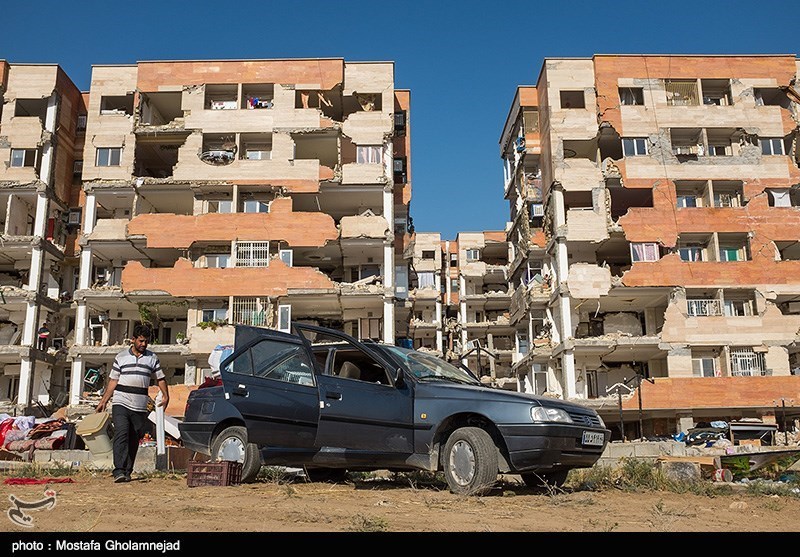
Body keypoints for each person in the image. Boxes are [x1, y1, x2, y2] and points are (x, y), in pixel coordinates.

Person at [96, 324, 169, 483]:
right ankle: (118, 470)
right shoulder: (121, 357)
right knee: (121, 432)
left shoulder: (152, 358)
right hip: (121, 402)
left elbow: (160, 378)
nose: (143, 344)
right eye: (141, 341)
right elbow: (113, 380)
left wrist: (166, 395)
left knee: (134, 437)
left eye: (146, 342)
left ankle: (127, 470)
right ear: (133, 340)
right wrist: (104, 401)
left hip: (140, 405)